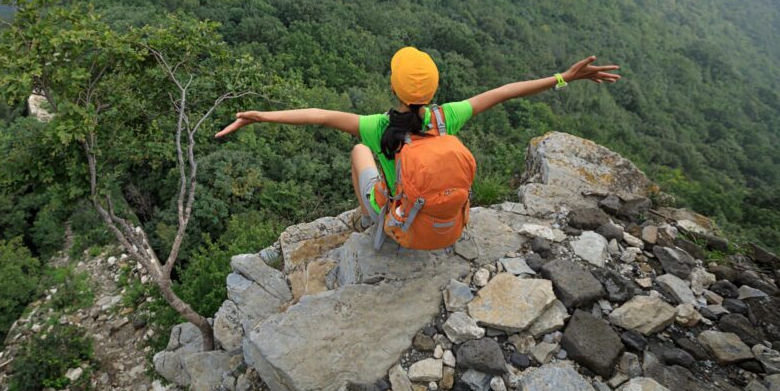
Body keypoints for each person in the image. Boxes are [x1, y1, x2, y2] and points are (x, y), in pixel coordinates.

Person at [215, 48, 621, 239]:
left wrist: (261, 116)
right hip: (447, 227)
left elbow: (318, 115)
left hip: (401, 226)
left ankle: (368, 215)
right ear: (435, 88)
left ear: (392, 86)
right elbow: (506, 91)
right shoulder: (448, 117)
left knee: (359, 153)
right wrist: (565, 77)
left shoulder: (377, 127)